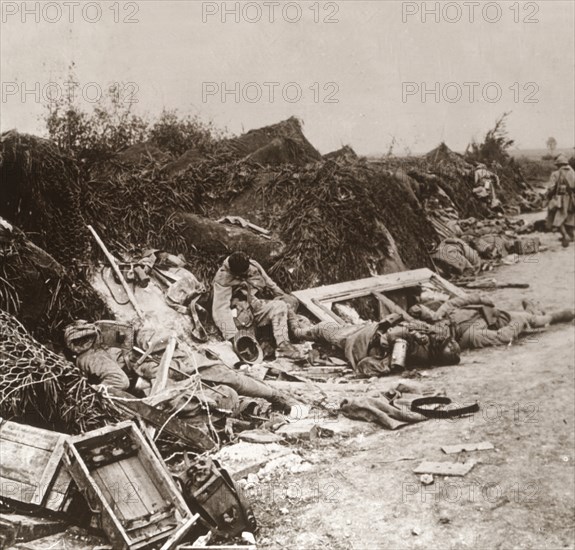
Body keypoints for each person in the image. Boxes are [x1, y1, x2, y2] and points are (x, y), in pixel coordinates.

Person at [293, 317, 461, 376]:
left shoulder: (416, 350)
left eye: (447, 343)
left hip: (360, 341)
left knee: (325, 329)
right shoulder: (429, 340)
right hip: (368, 331)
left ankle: (297, 331)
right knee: (331, 330)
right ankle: (302, 327)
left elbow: (392, 338)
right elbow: (410, 325)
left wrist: (411, 335)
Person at [212, 251, 301, 359]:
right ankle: (266, 341)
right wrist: (232, 336)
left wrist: (282, 295)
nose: (247, 273)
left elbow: (269, 282)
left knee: (284, 304)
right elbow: (220, 309)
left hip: (258, 303)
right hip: (242, 313)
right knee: (250, 343)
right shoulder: (223, 278)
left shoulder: (252, 264)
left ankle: (283, 344)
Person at [409, 294, 574, 350]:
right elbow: (503, 337)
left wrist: (481, 298)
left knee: (526, 316)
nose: (438, 327)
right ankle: (554, 316)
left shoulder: (444, 318)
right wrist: (519, 322)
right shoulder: (470, 336)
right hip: (503, 322)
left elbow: (454, 302)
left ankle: (530, 311)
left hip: (493, 312)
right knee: (537, 321)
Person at [545, 154, 575, 247]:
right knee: (570, 216)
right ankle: (571, 235)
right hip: (572, 197)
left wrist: (548, 196)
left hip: (560, 199)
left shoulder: (556, 174)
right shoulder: (573, 172)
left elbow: (551, 188)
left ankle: (565, 236)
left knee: (557, 216)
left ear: (558, 165)